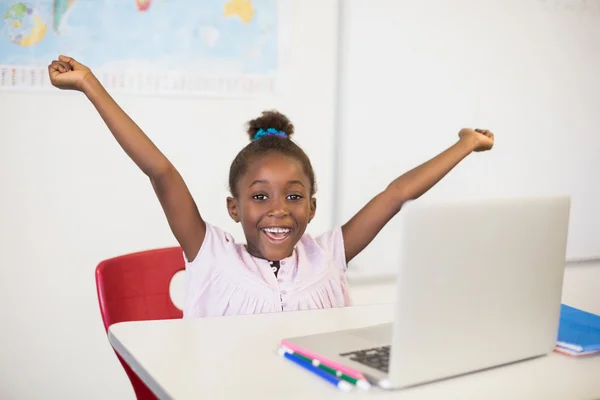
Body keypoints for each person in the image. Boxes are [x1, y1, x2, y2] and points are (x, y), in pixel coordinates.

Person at [48, 55, 495, 318]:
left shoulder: (329, 255)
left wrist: (466, 145)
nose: (279, 209)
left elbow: (397, 194)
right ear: (234, 207)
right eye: (260, 196)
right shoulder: (210, 253)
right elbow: (161, 171)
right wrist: (90, 85)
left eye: (294, 196)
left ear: (313, 207)